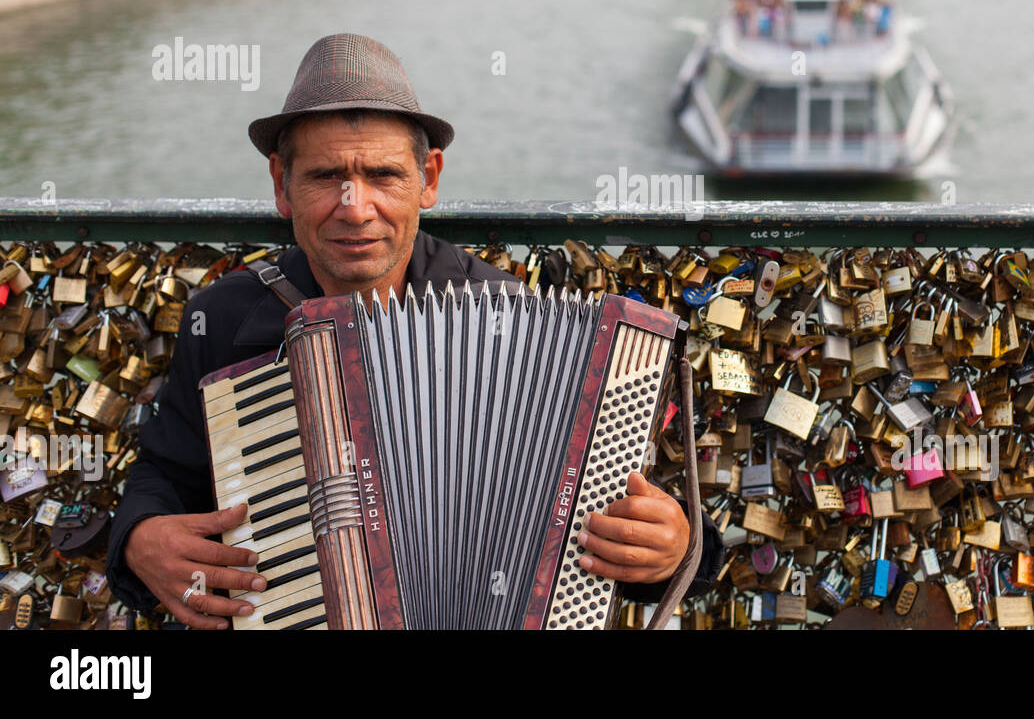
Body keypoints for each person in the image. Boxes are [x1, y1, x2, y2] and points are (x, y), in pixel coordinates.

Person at [106, 33, 721, 629]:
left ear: (428, 178)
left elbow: (632, 512)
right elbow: (165, 470)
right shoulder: (225, 315)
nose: (354, 205)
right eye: (325, 177)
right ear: (280, 184)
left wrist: (673, 549)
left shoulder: (508, 321)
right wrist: (139, 539)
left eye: (382, 174)